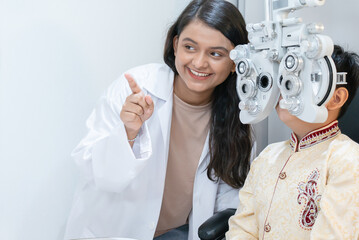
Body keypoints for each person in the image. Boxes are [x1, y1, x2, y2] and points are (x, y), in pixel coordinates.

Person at [64, 1, 255, 240]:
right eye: (190, 47)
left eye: (216, 53)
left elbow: (229, 200)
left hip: (179, 234)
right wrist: (128, 133)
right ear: (176, 45)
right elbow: (100, 176)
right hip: (112, 233)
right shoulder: (135, 89)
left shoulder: (239, 116)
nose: (199, 63)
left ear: (236, 62)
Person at [226, 45, 359, 239]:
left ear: (336, 98)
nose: (284, 89)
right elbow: (242, 228)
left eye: (301, 79)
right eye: (282, 79)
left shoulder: (349, 159)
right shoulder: (267, 156)